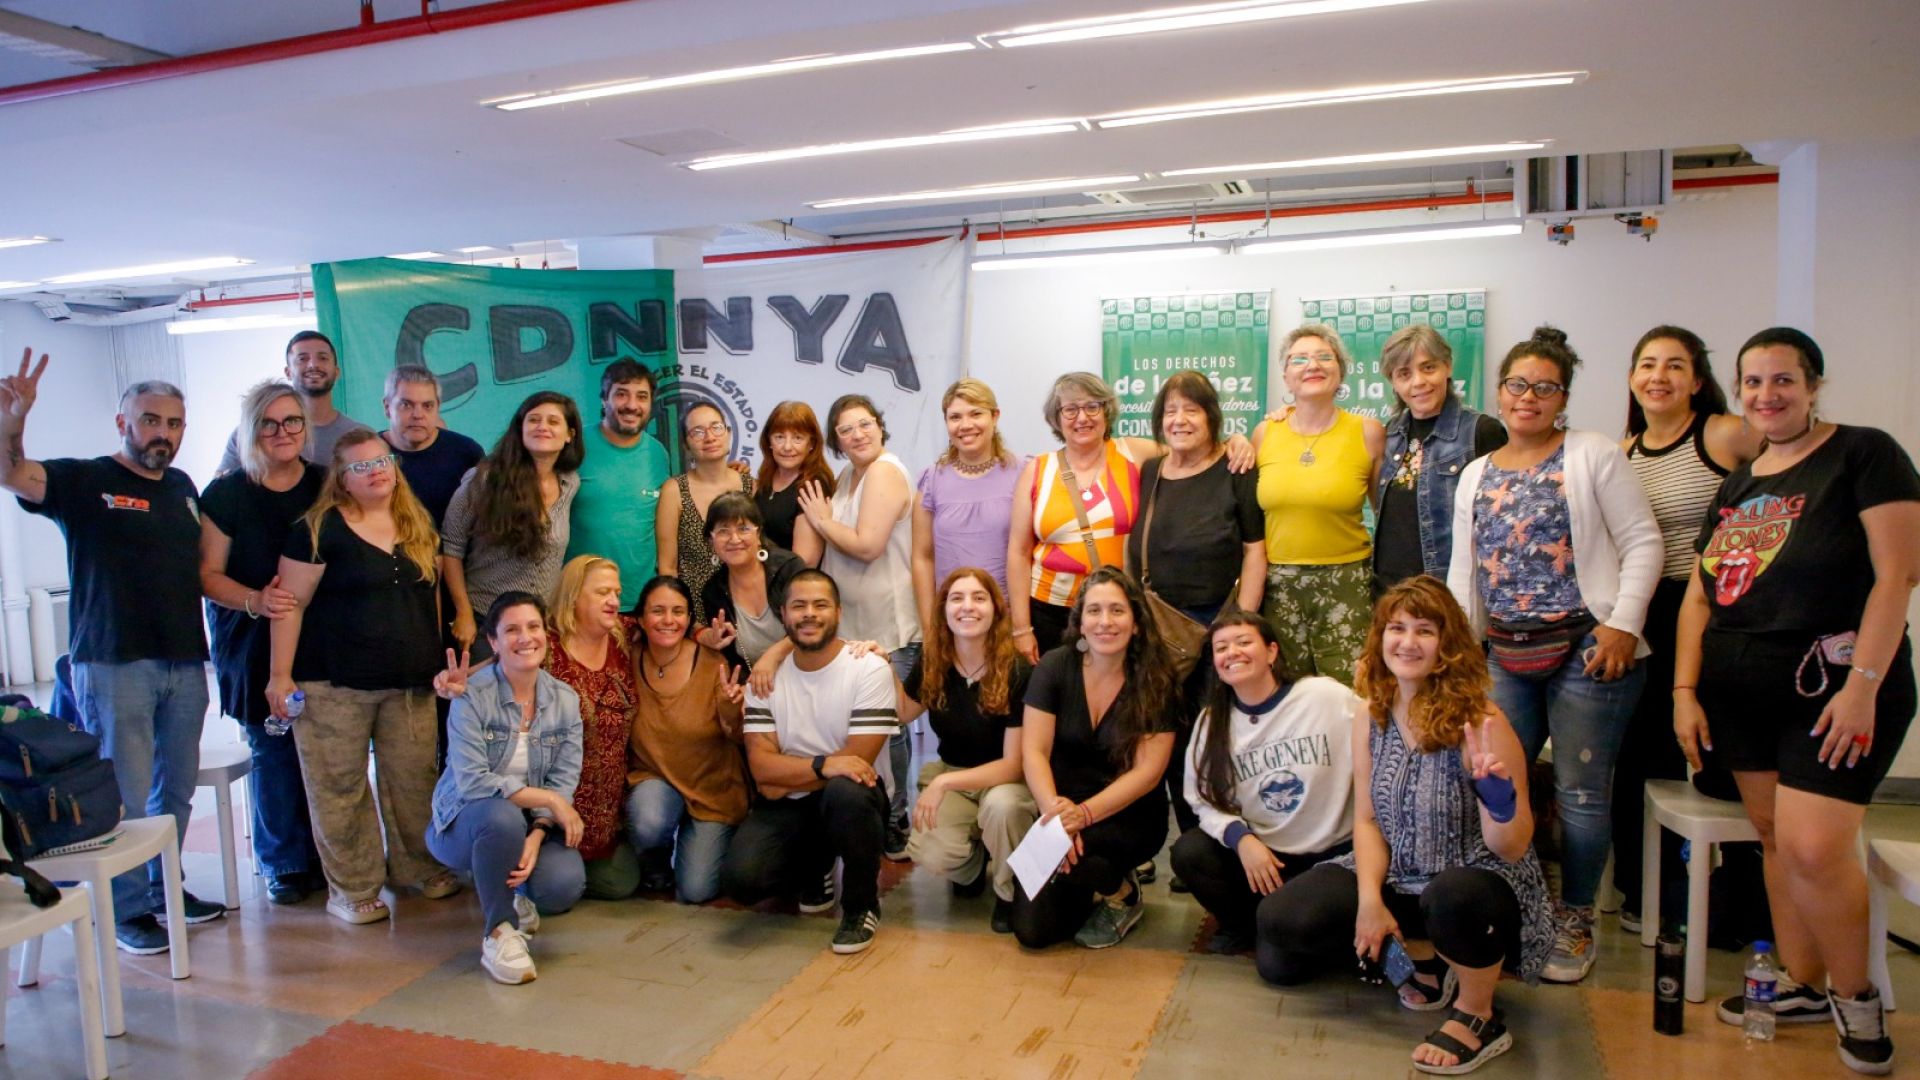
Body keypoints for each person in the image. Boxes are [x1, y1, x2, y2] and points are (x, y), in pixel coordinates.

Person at [1675, 327, 1920, 1075]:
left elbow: (1898, 575)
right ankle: (1804, 982)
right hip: (1740, 691)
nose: (1767, 394)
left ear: (1814, 385)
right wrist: (1685, 690)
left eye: (1783, 380)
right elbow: (1700, 594)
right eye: (1753, 382)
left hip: (1834, 688)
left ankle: (1856, 996)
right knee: (1777, 839)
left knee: (1815, 847)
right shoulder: (1741, 482)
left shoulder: (1864, 454)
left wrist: (1863, 687)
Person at [1262, 577, 1553, 1075]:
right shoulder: (1371, 714)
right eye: (1396, 628)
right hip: (1402, 874)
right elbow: (1367, 819)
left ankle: (1479, 1014)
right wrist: (1369, 902)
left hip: (1477, 884)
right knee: (1282, 922)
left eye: (1425, 630)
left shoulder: (1481, 720)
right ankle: (1425, 957)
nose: (1407, 642)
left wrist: (1498, 801)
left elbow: (1511, 847)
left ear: (1447, 645)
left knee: (1452, 896)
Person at [1445, 326, 1662, 983]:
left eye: (1546, 387)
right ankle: (1512, 905)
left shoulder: (1592, 454)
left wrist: (1622, 625)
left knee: (1580, 793)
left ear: (1563, 397)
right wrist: (1460, 653)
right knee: (1492, 779)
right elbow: (1464, 574)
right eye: (1518, 384)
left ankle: (1575, 917)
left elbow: (1643, 541)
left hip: (1588, 650)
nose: (1529, 397)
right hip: (1505, 652)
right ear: (1500, 392)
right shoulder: (1477, 473)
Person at [0, 349, 222, 953]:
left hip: (183, 661)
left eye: (174, 423)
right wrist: (14, 421)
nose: (163, 433)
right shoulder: (85, 480)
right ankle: (124, 910)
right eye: (150, 420)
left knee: (174, 792)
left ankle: (164, 887)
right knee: (123, 793)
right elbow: (12, 473)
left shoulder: (182, 487)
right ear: (123, 422)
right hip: (114, 662)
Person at [267, 429, 458, 925]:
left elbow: (431, 598)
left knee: (415, 781)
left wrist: (436, 660)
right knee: (339, 787)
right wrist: (279, 676)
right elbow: (289, 605)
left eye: (382, 461)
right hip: (333, 684)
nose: (375, 471)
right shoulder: (316, 530)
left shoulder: (418, 523)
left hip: (410, 682)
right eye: (360, 466)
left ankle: (420, 866)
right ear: (341, 479)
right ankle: (352, 888)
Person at [1612, 325, 1759, 932]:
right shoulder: (1623, 451)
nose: (1659, 377)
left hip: (1719, 610)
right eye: (1648, 364)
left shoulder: (1723, 434)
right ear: (1631, 378)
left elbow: (1789, 469)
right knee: (1642, 757)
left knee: (1727, 756)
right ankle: (1648, 894)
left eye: (1675, 365)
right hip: (1648, 611)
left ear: (1698, 380)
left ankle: (1748, 899)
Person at [1010, 373, 1253, 664]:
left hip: (1119, 610)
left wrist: (1236, 441)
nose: (1082, 418)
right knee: (1059, 686)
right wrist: (1021, 628)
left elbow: (1196, 449)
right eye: (1070, 409)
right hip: (1051, 610)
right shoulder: (1037, 470)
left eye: (1092, 407)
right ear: (1057, 418)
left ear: (1106, 411)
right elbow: (1018, 552)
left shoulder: (1135, 452)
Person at [1125, 371, 1266, 859]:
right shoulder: (1150, 470)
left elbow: (1254, 550)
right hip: (1161, 633)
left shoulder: (1236, 468)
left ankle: (1220, 845)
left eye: (1192, 409)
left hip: (1220, 630)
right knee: (1166, 739)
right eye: (1170, 411)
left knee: (1217, 741)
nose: (1180, 420)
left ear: (1212, 417)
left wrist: (1242, 626)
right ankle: (1185, 843)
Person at [721, 570, 899, 955]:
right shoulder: (765, 678)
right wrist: (823, 766)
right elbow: (761, 770)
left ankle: (861, 907)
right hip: (793, 802)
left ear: (838, 612)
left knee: (847, 792)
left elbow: (858, 764)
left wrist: (786, 776)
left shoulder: (869, 668)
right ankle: (815, 867)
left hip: (854, 798)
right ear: (783, 615)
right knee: (743, 881)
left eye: (820, 605)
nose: (809, 614)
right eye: (798, 605)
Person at [198, 380, 325, 905]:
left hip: (321, 637)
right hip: (250, 640)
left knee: (323, 752)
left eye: (291, 421)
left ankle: (327, 855)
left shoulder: (326, 485)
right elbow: (206, 575)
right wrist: (256, 600)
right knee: (272, 749)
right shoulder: (226, 494)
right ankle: (285, 863)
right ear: (251, 431)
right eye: (268, 423)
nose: (282, 432)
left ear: (305, 426)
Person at [1169, 611, 1356, 956]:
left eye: (1244, 642)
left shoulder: (1324, 697)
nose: (1232, 652)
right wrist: (1242, 840)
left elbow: (1380, 735)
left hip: (1332, 856)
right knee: (1189, 852)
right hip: (1265, 857)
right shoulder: (1213, 721)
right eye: (1221, 648)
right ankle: (1245, 926)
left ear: (1271, 652)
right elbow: (1200, 799)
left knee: (1279, 969)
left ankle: (1292, 928)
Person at [427, 592, 586, 986]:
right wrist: (549, 800)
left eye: (533, 627)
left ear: (546, 634)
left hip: (526, 823)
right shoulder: (471, 695)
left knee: (562, 885)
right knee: (500, 817)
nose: (525, 638)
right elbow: (474, 782)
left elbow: (563, 779)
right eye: (511, 630)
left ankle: (517, 892)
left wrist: (538, 832)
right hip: (463, 823)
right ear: (493, 642)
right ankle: (498, 931)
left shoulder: (565, 700)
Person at [1015, 567, 1178, 950]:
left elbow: (1148, 773)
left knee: (1087, 862)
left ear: (1136, 623)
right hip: (1062, 806)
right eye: (1094, 611)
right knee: (1033, 932)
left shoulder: (1155, 677)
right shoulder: (1055, 666)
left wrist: (1083, 817)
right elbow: (1034, 751)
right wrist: (1056, 814)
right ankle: (1089, 884)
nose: (1105, 621)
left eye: (1117, 611)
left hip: (1129, 813)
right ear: (1080, 622)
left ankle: (1123, 894)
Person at [799, 394, 921, 860]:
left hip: (889, 625)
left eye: (865, 424)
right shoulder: (849, 475)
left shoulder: (885, 471)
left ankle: (896, 819)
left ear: (879, 426)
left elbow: (868, 545)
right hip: (855, 625)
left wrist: (822, 521)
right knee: (865, 726)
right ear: (836, 440)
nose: (857, 434)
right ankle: (873, 814)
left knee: (890, 727)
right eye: (846, 429)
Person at [900, 568, 1037, 934]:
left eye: (979, 598)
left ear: (996, 609)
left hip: (1005, 780)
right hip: (955, 771)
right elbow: (902, 712)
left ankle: (1008, 892)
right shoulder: (933, 662)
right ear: (943, 609)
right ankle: (972, 864)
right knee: (931, 852)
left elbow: (1013, 765)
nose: (967, 607)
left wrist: (942, 784)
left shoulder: (1017, 670)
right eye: (956, 598)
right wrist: (876, 661)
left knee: (1003, 808)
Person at [1252, 324, 1387, 685]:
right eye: (1299, 359)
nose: (1312, 365)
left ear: (1340, 371)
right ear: (1286, 376)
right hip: (1279, 587)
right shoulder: (1264, 433)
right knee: (1288, 693)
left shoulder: (1368, 432)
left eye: (1324, 357)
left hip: (1348, 584)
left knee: (1351, 692)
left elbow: (1385, 514)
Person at [627, 575, 749, 903]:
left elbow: (738, 737)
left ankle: (721, 839)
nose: (668, 620)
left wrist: (731, 710)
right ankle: (655, 862)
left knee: (696, 891)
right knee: (648, 821)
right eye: (658, 611)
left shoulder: (713, 664)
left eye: (678, 611)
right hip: (656, 782)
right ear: (640, 619)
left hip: (712, 790)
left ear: (689, 619)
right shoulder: (627, 657)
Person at [441, 391, 584, 659]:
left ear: (569, 435)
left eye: (553, 421)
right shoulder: (485, 480)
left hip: (539, 624)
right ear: (520, 429)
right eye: (534, 420)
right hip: (487, 622)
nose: (542, 427)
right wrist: (463, 613)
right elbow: (451, 546)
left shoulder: (569, 483)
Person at [1374, 324, 1507, 593]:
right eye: (1404, 374)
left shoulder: (1481, 432)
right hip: (1389, 593)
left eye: (1428, 368)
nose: (1418, 382)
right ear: (1393, 381)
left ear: (1447, 366)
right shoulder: (1389, 434)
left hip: (1447, 592)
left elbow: (1500, 525)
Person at [546, 555, 644, 899]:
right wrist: (457, 684)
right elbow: (499, 664)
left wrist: (704, 634)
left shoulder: (622, 635)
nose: (614, 600)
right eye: (602, 592)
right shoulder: (545, 648)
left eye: (616, 592)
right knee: (561, 889)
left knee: (621, 884)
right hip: (554, 810)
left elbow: (667, 620)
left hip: (607, 816)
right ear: (573, 596)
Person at [911, 378, 1022, 630]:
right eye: (955, 417)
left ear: (995, 416)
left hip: (1008, 621)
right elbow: (922, 558)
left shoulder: (1024, 473)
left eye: (976, 414)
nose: (965, 425)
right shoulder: (931, 480)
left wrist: (1021, 624)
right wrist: (930, 628)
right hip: (953, 622)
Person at [568, 359, 673, 609]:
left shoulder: (658, 453)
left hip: (641, 603)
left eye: (642, 396)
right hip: (581, 603)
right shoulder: (574, 446)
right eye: (621, 394)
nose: (632, 405)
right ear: (604, 400)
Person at [216, 331, 370, 474]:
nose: (313, 365)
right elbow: (223, 487)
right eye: (302, 359)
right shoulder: (248, 434)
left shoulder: (360, 435)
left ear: (336, 372)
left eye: (323, 358)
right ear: (288, 372)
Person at [656, 402, 753, 625]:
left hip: (745, 609)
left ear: (728, 433)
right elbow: (668, 567)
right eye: (698, 432)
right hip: (695, 614)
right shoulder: (674, 490)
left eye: (716, 427)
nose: (709, 437)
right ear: (686, 444)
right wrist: (684, 620)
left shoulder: (750, 486)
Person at [694, 493, 807, 671]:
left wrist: (773, 656)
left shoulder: (789, 568)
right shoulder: (713, 591)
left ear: (758, 533)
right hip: (757, 683)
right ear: (711, 540)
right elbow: (733, 659)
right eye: (723, 531)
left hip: (809, 672)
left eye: (743, 529)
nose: (734, 539)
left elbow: (811, 622)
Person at [379, 364, 484, 528]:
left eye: (427, 406)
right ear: (387, 407)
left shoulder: (467, 452)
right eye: (406, 405)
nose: (418, 415)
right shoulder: (368, 457)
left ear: (438, 407)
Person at [752, 400, 830, 565]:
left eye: (798, 438)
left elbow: (804, 563)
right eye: (779, 437)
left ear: (811, 444)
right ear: (769, 442)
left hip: (788, 580)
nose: (787, 447)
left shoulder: (812, 487)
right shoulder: (766, 478)